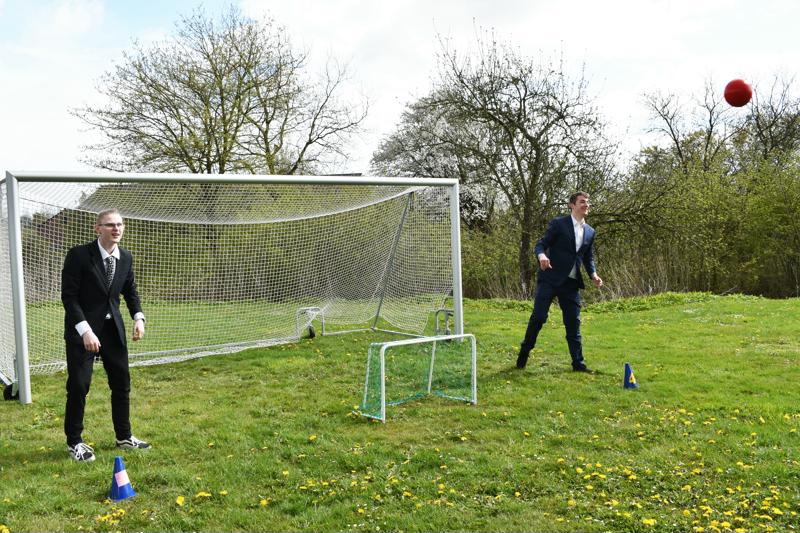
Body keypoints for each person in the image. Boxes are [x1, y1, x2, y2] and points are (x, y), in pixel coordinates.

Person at [61, 208, 150, 462]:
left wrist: (138, 318)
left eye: (120, 224)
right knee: (79, 385)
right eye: (110, 224)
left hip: (113, 331)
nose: (116, 229)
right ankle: (74, 443)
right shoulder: (79, 256)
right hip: (83, 332)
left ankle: (124, 437)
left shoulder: (126, 257)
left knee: (121, 383)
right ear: (97, 228)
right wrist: (85, 330)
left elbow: (130, 290)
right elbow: (69, 297)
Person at [516, 192, 603, 372]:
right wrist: (541, 256)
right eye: (582, 202)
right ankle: (524, 353)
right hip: (550, 279)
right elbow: (540, 244)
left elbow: (588, 257)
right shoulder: (559, 224)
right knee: (539, 317)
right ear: (572, 205)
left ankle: (578, 364)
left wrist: (593, 274)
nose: (586, 205)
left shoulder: (590, 231)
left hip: (571, 284)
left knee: (573, 323)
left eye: (587, 202)